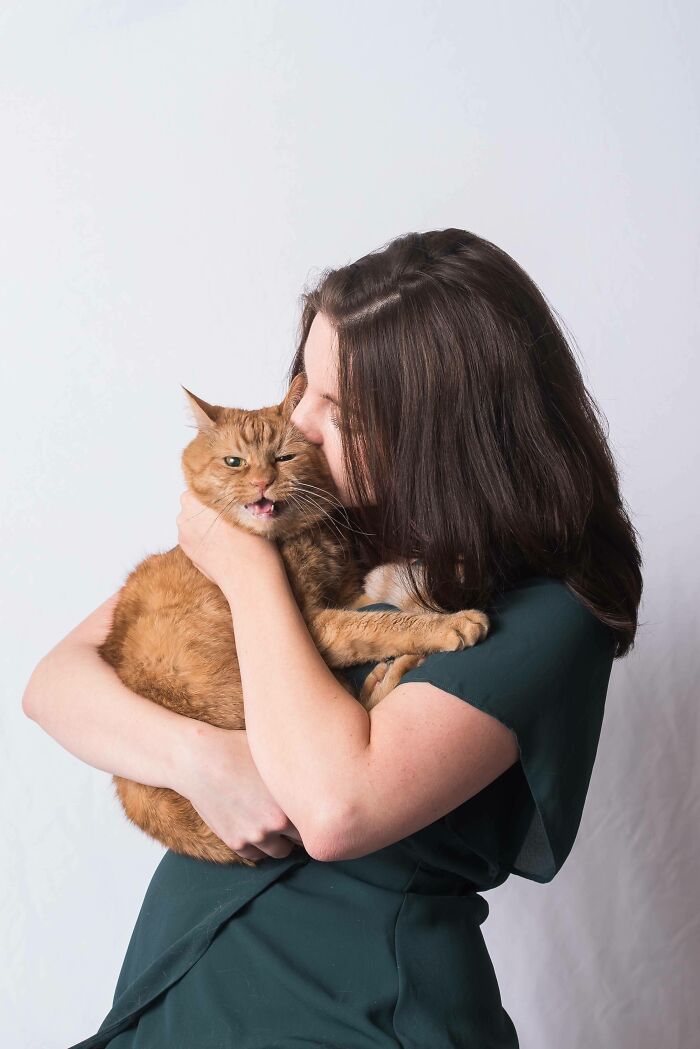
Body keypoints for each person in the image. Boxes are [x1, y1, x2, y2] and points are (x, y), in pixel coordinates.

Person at [23, 228, 642, 1048]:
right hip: (176, 993)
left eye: (338, 408)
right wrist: (197, 758)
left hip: (350, 1015)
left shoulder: (549, 615)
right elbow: (55, 684)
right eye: (302, 384)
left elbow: (333, 806)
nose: (301, 424)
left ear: (439, 428)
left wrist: (242, 572)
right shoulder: (304, 515)